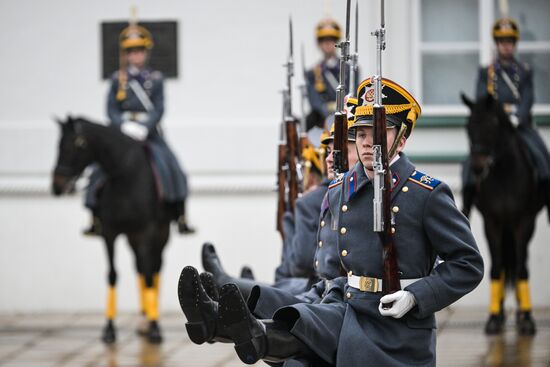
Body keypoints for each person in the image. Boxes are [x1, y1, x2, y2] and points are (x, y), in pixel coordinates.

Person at [185, 78, 484, 366]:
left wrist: (415, 297)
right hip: (348, 306)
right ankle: (218, 323)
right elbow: (334, 263)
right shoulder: (344, 188)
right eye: (361, 135)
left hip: (396, 326)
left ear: (402, 139)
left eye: (379, 134)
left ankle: (242, 331)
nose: (368, 143)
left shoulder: (426, 193)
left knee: (302, 328)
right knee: (299, 323)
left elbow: (468, 263)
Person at [84, 22, 194, 235]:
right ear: (126, 54)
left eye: (139, 51)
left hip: (148, 132)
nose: (136, 55)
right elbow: (111, 109)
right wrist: (122, 125)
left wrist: (144, 126)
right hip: (122, 131)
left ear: (146, 52)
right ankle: (95, 216)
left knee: (172, 165)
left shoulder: (156, 79)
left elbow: (159, 107)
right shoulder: (118, 79)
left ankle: (180, 214)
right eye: (131, 52)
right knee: (98, 169)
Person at [463, 17, 550, 218]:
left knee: (542, 157)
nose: (506, 46)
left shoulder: (525, 71)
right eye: (502, 42)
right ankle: (466, 206)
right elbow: (481, 99)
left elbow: (528, 97)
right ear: (497, 44)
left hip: (521, 126)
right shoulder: (486, 72)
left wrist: (517, 116)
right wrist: (498, 116)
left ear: (514, 45)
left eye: (509, 42)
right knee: (470, 162)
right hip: (495, 126)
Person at [304, 19, 347, 132]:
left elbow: (353, 94)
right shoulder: (312, 72)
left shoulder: (350, 69)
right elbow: (315, 101)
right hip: (322, 121)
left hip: (346, 117)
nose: (328, 43)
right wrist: (330, 117)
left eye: (332, 39)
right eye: (323, 40)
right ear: (319, 44)